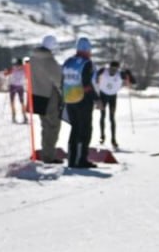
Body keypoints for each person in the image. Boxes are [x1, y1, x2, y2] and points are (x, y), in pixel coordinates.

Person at [61, 36, 98, 169]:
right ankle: (81, 160)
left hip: (69, 100)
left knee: (74, 129)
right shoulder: (86, 63)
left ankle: (72, 159)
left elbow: (62, 81)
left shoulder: (68, 62)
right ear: (88, 50)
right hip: (83, 100)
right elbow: (87, 85)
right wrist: (97, 99)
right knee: (85, 130)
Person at [30, 35, 64, 163]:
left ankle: (46, 154)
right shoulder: (48, 60)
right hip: (49, 96)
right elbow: (58, 78)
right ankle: (48, 156)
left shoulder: (33, 58)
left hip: (36, 96)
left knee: (45, 126)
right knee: (53, 126)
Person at [95, 60, 136, 150]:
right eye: (111, 69)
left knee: (112, 118)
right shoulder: (103, 71)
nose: (113, 71)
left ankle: (113, 139)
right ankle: (102, 136)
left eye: (115, 69)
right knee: (102, 116)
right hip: (103, 95)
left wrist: (129, 74)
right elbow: (94, 77)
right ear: (109, 67)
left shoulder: (120, 74)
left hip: (112, 97)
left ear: (117, 69)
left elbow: (133, 82)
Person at [7, 58, 27, 123]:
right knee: (12, 102)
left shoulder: (24, 70)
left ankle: (24, 116)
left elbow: (29, 73)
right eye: (16, 65)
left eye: (19, 65)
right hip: (12, 86)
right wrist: (8, 71)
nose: (17, 66)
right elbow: (5, 73)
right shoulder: (13, 69)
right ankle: (13, 116)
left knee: (22, 102)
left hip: (20, 87)